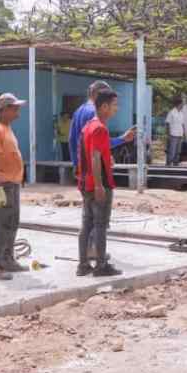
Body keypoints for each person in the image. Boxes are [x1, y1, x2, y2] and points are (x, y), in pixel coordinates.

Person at [77, 88, 123, 278]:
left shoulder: (88, 126)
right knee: (100, 225)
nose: (116, 109)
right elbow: (95, 157)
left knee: (87, 224)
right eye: (114, 105)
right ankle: (101, 265)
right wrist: (99, 185)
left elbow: (89, 155)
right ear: (104, 106)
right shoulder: (99, 128)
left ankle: (83, 265)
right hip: (98, 183)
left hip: (86, 183)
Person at [0, 93, 26, 280]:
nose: (18, 113)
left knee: (11, 223)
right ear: (5, 109)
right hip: (2, 184)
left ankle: (7, 259)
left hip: (12, 183)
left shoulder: (6, 128)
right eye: (15, 109)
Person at [165, 97, 185, 166]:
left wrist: (184, 134)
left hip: (180, 134)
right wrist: (168, 135)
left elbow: (182, 124)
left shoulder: (181, 113)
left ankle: (176, 164)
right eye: (182, 104)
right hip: (173, 134)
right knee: (172, 151)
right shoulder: (171, 112)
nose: (183, 105)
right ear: (179, 104)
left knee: (178, 151)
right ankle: (168, 164)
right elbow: (167, 123)